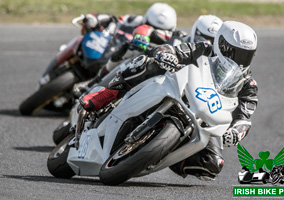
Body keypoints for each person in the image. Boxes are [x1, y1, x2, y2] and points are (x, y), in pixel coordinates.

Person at [79, 21, 258, 181]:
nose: (240, 60)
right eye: (236, 52)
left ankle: (160, 153)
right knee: (146, 63)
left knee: (212, 163)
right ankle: (104, 95)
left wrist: (236, 133)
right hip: (177, 89)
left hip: (202, 116)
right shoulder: (204, 48)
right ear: (221, 44)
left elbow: (244, 118)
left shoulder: (248, 84)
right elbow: (174, 50)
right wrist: (166, 54)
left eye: (246, 55)